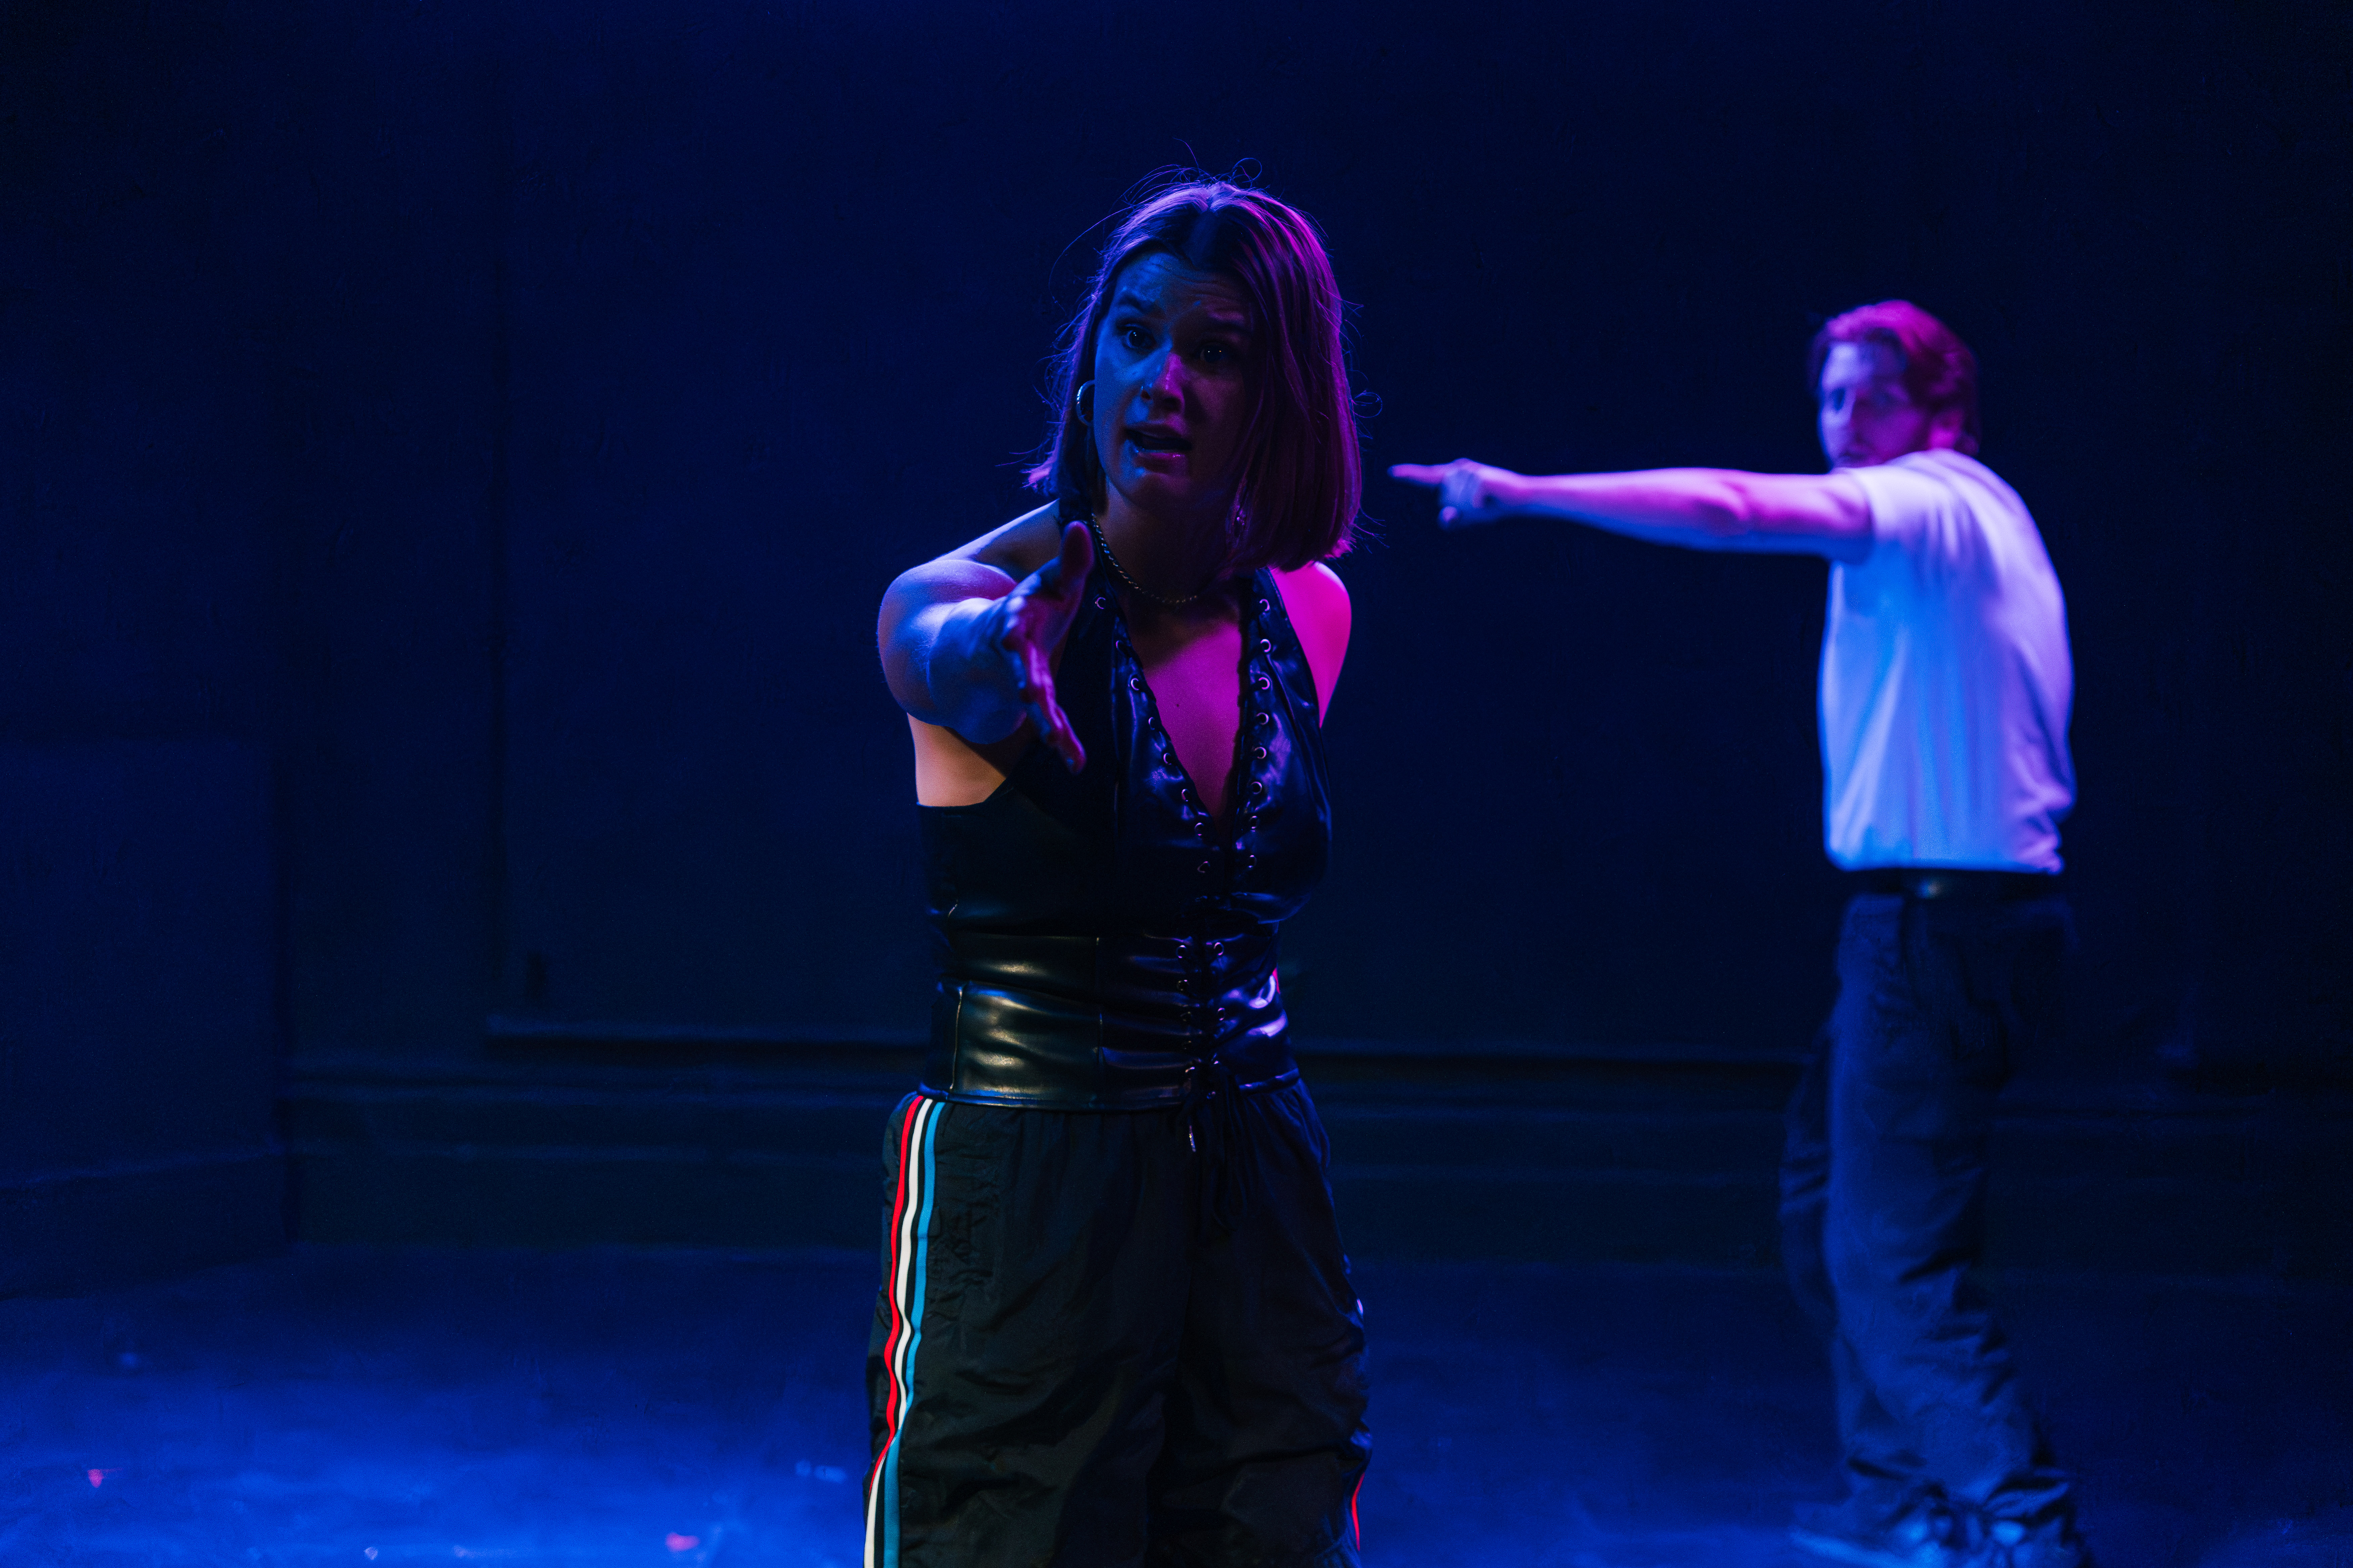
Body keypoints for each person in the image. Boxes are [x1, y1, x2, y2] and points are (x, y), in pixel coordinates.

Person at [1392, 301, 2087, 1568]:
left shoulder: (1929, 502)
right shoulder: (1987, 526)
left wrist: (1524, 493)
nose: (1844, 423)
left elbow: (1734, 506)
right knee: (1826, 1202)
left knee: (1889, 1255)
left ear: (1942, 412)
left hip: (1942, 928)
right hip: (1948, 922)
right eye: (1830, 399)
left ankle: (2022, 1525)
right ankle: (1900, 1499)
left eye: (1874, 396)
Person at [869, 180, 1368, 1568]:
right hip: (1039, 1178)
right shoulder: (958, 599)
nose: (1164, 380)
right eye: (1136, 335)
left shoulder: (1309, 611)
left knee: (1281, 1529)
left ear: (1281, 395)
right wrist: (997, 659)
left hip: (1261, 1179)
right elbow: (939, 656)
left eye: (1216, 351)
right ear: (1090, 362)